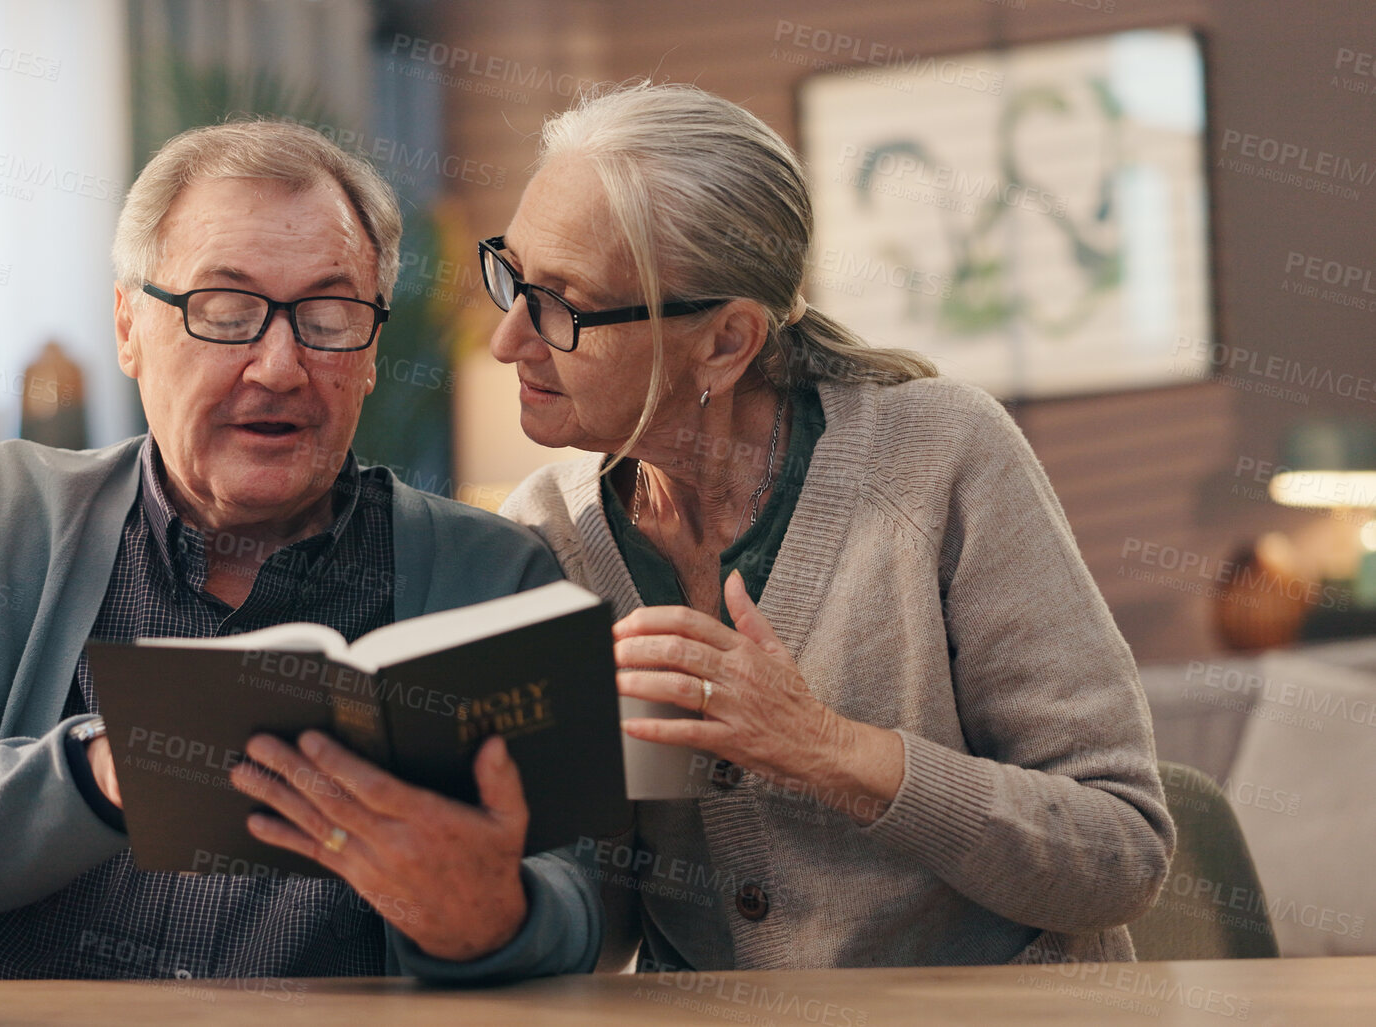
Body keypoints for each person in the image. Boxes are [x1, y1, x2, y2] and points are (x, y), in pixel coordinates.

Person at [0, 120, 598, 982]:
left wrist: (492, 919)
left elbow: (591, 899)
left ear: (370, 353)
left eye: (329, 317)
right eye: (225, 313)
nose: (280, 366)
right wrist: (112, 765)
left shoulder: (493, 574)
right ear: (128, 326)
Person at [490, 83, 1175, 969]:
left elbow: (1119, 854)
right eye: (510, 276)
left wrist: (825, 747)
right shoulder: (545, 536)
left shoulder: (941, 458)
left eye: (561, 303)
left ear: (727, 343)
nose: (508, 339)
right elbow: (596, 920)